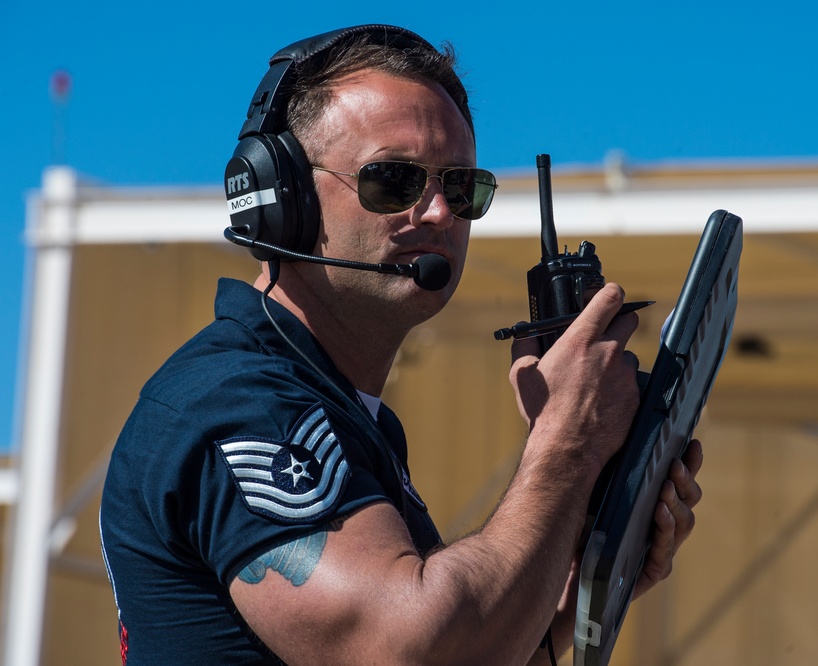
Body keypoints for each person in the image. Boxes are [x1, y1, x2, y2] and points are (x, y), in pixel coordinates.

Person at [100, 24, 703, 665]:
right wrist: (567, 443)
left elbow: (463, 651)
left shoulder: (342, 417)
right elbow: (404, 651)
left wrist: (579, 566)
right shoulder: (234, 401)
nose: (441, 213)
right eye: (393, 180)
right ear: (284, 197)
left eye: (463, 188)